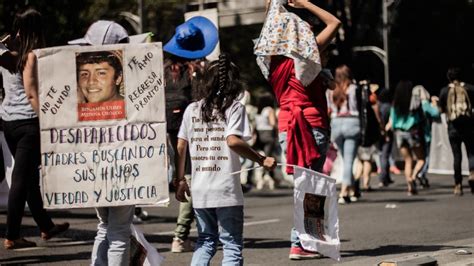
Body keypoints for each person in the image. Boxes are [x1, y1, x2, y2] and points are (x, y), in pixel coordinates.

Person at [254, 0, 340, 260]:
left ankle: (307, 241)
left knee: (303, 185)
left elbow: (270, 25)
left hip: (286, 124)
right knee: (311, 185)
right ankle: (300, 242)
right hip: (309, 124)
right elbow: (335, 22)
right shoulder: (305, 57)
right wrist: (305, 3)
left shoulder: (268, 61)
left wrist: (275, 5)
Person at [175, 54, 276, 265]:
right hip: (225, 189)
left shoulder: (192, 109)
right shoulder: (234, 107)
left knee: (206, 241)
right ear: (234, 82)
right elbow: (232, 141)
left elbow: (180, 145)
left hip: (200, 188)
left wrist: (180, 180)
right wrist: (260, 159)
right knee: (231, 245)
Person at [2, 8, 69, 250]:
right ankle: (12, 235)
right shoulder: (30, 56)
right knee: (21, 179)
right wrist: (49, 121)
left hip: (8, 121)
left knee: (28, 178)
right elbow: (31, 93)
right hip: (28, 123)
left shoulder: (6, 54)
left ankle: (45, 225)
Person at [68, 20, 134, 265]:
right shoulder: (133, 103)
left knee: (106, 227)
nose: (91, 80)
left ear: (117, 78)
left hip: (96, 167)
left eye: (101, 72)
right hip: (116, 168)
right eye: (86, 73)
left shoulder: (82, 104)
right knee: (116, 231)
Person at [163, 16, 219, 253]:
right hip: (193, 126)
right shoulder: (198, 68)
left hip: (169, 125)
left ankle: (193, 231)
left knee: (183, 176)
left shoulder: (165, 68)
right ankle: (181, 234)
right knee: (195, 178)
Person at [386, 80, 436, 196]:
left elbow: (392, 122)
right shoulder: (414, 102)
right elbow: (420, 118)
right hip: (412, 132)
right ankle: (413, 177)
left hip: (399, 133)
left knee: (407, 160)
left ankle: (410, 186)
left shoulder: (395, 104)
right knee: (421, 159)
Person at [439, 67, 474, 195]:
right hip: (469, 126)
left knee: (457, 156)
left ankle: (458, 185)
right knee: (471, 153)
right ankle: (472, 173)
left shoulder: (444, 91)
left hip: (453, 127)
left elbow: (441, 110)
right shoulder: (470, 88)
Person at [330, 65, 361, 203]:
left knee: (345, 158)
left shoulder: (332, 90)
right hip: (352, 122)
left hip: (336, 123)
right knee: (349, 160)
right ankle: (344, 192)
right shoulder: (353, 88)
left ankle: (352, 189)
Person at [412, 85, 440, 188]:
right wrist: (434, 104)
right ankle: (421, 173)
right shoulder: (424, 104)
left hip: (415, 135)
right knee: (426, 157)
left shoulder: (412, 105)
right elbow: (436, 113)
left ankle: (417, 174)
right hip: (426, 134)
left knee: (419, 157)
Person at [254, 93, 278, 190]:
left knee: (263, 156)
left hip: (259, 135)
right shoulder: (269, 110)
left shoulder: (258, 111)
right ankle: (266, 178)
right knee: (268, 158)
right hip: (268, 135)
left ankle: (265, 178)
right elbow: (272, 123)